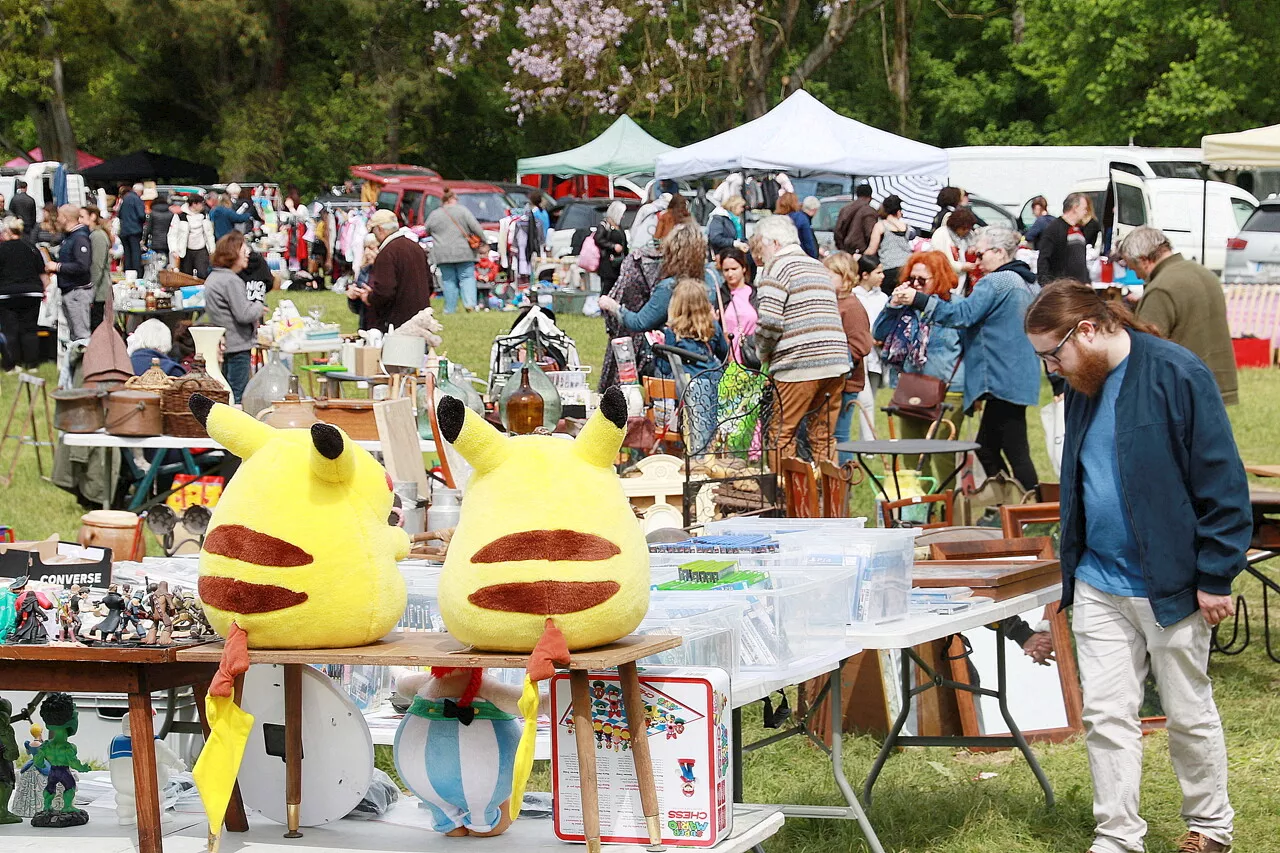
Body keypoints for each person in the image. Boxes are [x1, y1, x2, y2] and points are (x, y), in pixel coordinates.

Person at [1024, 280, 1248, 853]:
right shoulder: (1082, 381)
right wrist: (1068, 577)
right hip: (1100, 580)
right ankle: (1118, 836)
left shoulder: (1177, 373)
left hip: (1170, 580)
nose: (1050, 367)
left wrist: (1215, 574)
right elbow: (1080, 484)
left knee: (1187, 712)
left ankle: (1211, 827)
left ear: (1090, 330)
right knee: (1105, 715)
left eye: (1054, 352)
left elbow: (1222, 481)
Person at [891, 226, 1041, 492]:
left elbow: (963, 315)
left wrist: (920, 300)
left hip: (1000, 380)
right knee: (988, 448)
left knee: (1014, 451)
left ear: (999, 252)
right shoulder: (1029, 281)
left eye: (980, 254)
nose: (976, 260)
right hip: (1017, 376)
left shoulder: (998, 281)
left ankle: (1030, 511)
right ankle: (1010, 505)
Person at [754, 214, 851, 467]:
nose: (760, 254)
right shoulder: (817, 265)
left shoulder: (776, 267)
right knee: (823, 436)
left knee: (781, 434)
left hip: (799, 364)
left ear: (773, 243)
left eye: (761, 246)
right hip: (836, 361)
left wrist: (762, 352)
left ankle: (786, 499)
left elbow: (770, 322)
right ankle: (830, 500)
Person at [1119, 225, 1238, 405]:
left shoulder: (1160, 288)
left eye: (1132, 266)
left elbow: (1144, 349)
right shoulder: (1204, 273)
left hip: (1182, 389)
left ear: (1144, 260)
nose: (1135, 274)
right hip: (1215, 382)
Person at [876, 251, 967, 482]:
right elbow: (878, 333)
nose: (915, 285)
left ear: (939, 278)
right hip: (912, 388)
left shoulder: (956, 306)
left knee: (943, 457)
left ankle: (948, 510)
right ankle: (922, 511)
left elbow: (971, 348)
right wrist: (893, 305)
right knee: (912, 458)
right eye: (911, 279)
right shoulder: (904, 307)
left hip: (948, 390)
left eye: (921, 280)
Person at [597, 225, 720, 336]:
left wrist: (613, 307)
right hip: (709, 349)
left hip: (678, 354)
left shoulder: (670, 288)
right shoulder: (712, 277)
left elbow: (640, 322)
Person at [659, 278, 728, 456]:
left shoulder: (672, 332)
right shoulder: (712, 327)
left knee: (697, 433)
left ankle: (698, 465)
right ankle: (712, 463)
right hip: (715, 381)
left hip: (690, 385)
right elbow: (724, 352)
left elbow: (666, 368)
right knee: (714, 430)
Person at [824, 252, 873, 464]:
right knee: (829, 435)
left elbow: (862, 345)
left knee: (840, 436)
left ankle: (844, 482)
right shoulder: (833, 302)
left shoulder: (852, 307)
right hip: (832, 381)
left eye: (830, 275)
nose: (825, 279)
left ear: (845, 277)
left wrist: (837, 359)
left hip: (847, 383)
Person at [202, 232, 260, 402]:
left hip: (225, 343)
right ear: (232, 254)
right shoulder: (231, 281)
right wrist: (258, 307)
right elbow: (243, 314)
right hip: (237, 345)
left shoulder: (214, 278)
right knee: (237, 395)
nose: (247, 254)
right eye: (243, 251)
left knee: (226, 393)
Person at [360, 208, 433, 332]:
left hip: (399, 324)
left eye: (374, 231)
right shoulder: (416, 247)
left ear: (380, 229)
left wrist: (369, 297)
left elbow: (385, 291)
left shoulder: (387, 253)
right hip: (422, 319)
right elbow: (429, 285)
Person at [422, 188, 485, 314]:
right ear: (452, 199)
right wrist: (484, 240)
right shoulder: (463, 211)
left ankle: (450, 309)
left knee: (448, 280)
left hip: (442, 253)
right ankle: (469, 304)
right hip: (464, 252)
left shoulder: (435, 214)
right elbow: (476, 227)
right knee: (466, 277)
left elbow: (427, 229)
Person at [850, 253, 889, 443]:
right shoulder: (853, 296)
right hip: (860, 355)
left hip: (877, 356)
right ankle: (870, 446)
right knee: (866, 401)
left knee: (871, 397)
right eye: (878, 272)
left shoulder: (882, 297)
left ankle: (866, 442)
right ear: (865, 275)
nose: (882, 276)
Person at [0, 217, 46, 372]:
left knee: (9, 330)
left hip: (7, 294)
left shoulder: (2, 249)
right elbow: (42, 272)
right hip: (32, 292)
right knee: (30, 329)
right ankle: (32, 363)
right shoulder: (32, 248)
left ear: (7, 231)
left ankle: (12, 364)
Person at [44, 205, 93, 342]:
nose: (57, 219)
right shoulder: (69, 237)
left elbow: (82, 265)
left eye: (59, 216)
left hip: (77, 292)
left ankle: (84, 362)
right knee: (73, 335)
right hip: (68, 290)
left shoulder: (80, 238)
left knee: (81, 335)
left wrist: (58, 266)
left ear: (65, 218)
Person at [1036, 192, 1091, 285]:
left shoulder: (1079, 230)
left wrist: (1087, 281)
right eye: (1084, 208)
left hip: (1079, 287)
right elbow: (1044, 259)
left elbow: (1081, 261)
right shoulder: (1054, 228)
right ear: (1075, 208)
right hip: (1062, 287)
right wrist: (1046, 285)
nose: (1085, 212)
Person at [866, 195, 914, 294]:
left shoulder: (880, 226)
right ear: (898, 211)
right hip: (906, 267)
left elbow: (872, 250)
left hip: (888, 268)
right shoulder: (906, 227)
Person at [716, 247, 756, 364]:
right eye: (726, 270)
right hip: (728, 361)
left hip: (752, 359)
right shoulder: (720, 296)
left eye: (734, 269)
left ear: (743, 268)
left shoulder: (755, 294)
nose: (730, 274)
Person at [929, 206, 979, 292]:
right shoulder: (941, 234)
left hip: (963, 282)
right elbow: (941, 261)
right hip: (945, 281)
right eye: (964, 229)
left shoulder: (969, 235)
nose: (966, 231)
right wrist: (962, 266)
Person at [170, 195, 215, 279]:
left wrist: (212, 249)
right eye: (201, 204)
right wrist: (174, 249)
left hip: (201, 249)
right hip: (186, 250)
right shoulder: (180, 217)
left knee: (203, 274)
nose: (203, 206)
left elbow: (209, 234)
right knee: (186, 276)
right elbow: (172, 234)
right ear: (194, 204)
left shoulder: (205, 216)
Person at [82, 206, 111, 331]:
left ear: (93, 216)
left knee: (97, 327)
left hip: (99, 293)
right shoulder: (94, 235)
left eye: (82, 217)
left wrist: (91, 290)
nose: (79, 220)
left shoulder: (97, 236)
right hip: (98, 291)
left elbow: (97, 265)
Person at [592, 200, 629, 295]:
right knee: (606, 288)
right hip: (608, 262)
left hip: (619, 262)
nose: (623, 216)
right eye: (621, 214)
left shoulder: (619, 226)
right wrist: (613, 246)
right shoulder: (605, 225)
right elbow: (598, 239)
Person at [834, 184, 878, 254]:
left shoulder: (845, 209)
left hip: (846, 250)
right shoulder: (869, 211)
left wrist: (842, 248)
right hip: (862, 252)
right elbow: (870, 234)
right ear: (870, 197)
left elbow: (837, 231)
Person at [775, 192, 818, 259]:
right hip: (799, 256)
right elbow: (808, 242)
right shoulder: (801, 218)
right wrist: (814, 257)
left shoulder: (775, 219)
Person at [117, 183, 146, 274]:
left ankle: (127, 273)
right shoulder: (137, 199)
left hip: (124, 230)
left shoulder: (125, 199)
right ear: (140, 191)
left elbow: (119, 214)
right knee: (135, 253)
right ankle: (137, 273)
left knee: (127, 254)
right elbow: (141, 215)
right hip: (134, 230)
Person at [143, 192, 174, 267]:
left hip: (156, 242)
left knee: (156, 262)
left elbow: (149, 229)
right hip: (167, 242)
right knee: (166, 261)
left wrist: (145, 241)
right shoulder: (170, 214)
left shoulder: (153, 213)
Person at [8, 180, 37, 244]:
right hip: (28, 226)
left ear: (19, 187)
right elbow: (33, 215)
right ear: (26, 188)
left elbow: (11, 212)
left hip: (17, 226)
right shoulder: (31, 200)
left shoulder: (14, 199)